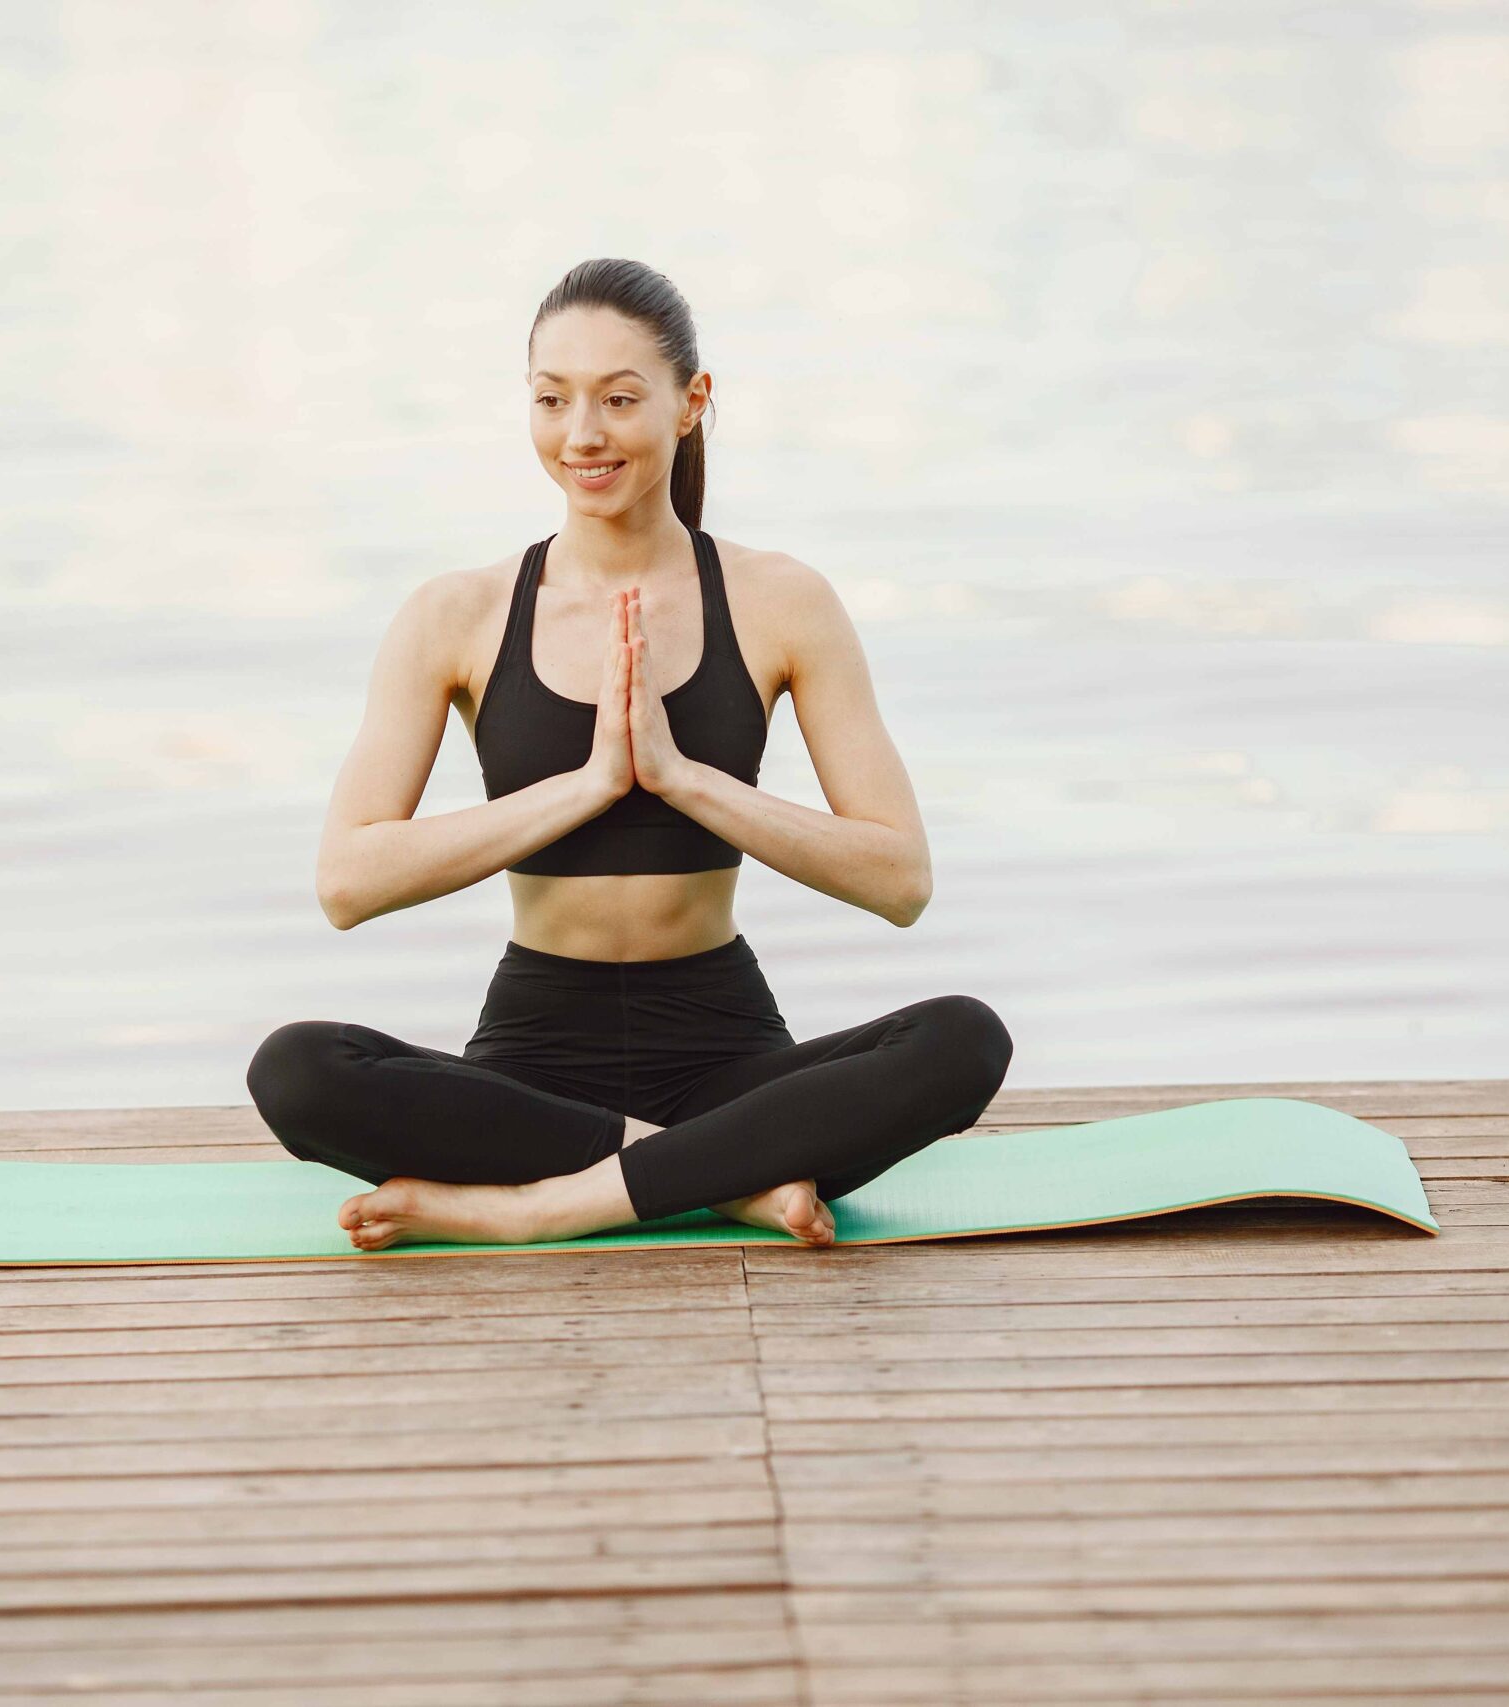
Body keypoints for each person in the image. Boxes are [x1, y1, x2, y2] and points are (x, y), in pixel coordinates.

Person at [246, 258, 1013, 1252]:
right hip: (530, 1056)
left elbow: (899, 879)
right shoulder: (459, 614)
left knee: (963, 1040)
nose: (582, 435)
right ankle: (720, 1175)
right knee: (295, 1069)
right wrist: (587, 785)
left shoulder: (780, 601)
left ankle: (544, 1205)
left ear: (691, 403)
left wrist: (685, 780)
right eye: (552, 400)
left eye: (617, 399)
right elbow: (347, 883)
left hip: (724, 1048)